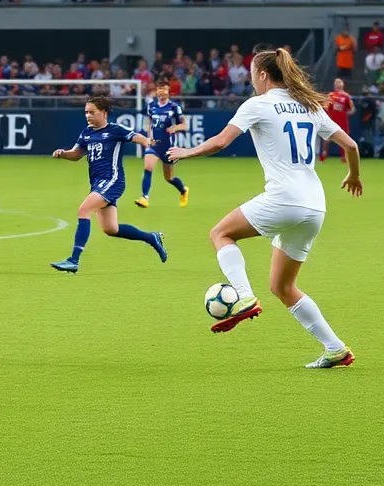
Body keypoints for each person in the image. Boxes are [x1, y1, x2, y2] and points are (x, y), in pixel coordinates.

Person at [167, 48, 362, 369]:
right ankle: (336, 349)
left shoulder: (258, 104)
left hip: (284, 199)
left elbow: (220, 142)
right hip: (314, 206)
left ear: (262, 75)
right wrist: (353, 174)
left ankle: (243, 296)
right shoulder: (308, 104)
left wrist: (187, 152)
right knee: (282, 287)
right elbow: (351, 145)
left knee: (220, 233)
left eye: (252, 73)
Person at [49, 95, 168, 273]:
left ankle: (73, 260)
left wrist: (148, 142)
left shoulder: (115, 130)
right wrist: (63, 153)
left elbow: (137, 137)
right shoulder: (87, 132)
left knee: (84, 210)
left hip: (112, 181)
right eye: (86, 112)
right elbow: (76, 154)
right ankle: (151, 238)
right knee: (111, 229)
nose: (88, 116)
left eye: (92, 112)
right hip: (97, 183)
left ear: (104, 113)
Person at [134, 79, 189, 208]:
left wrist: (174, 128)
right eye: (159, 89)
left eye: (164, 89)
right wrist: (148, 137)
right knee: (148, 168)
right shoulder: (151, 106)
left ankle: (183, 190)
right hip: (154, 144)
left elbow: (184, 125)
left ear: (168, 91)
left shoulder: (175, 107)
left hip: (168, 146)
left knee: (169, 178)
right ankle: (144, 197)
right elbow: (149, 123)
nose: (161, 92)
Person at [319, 77, 353, 163]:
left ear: (343, 84)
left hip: (342, 121)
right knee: (326, 139)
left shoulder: (346, 96)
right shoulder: (331, 95)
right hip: (332, 120)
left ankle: (344, 157)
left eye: (339, 82)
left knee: (343, 139)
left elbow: (351, 109)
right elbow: (326, 107)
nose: (337, 84)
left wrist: (345, 112)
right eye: (335, 83)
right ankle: (323, 154)